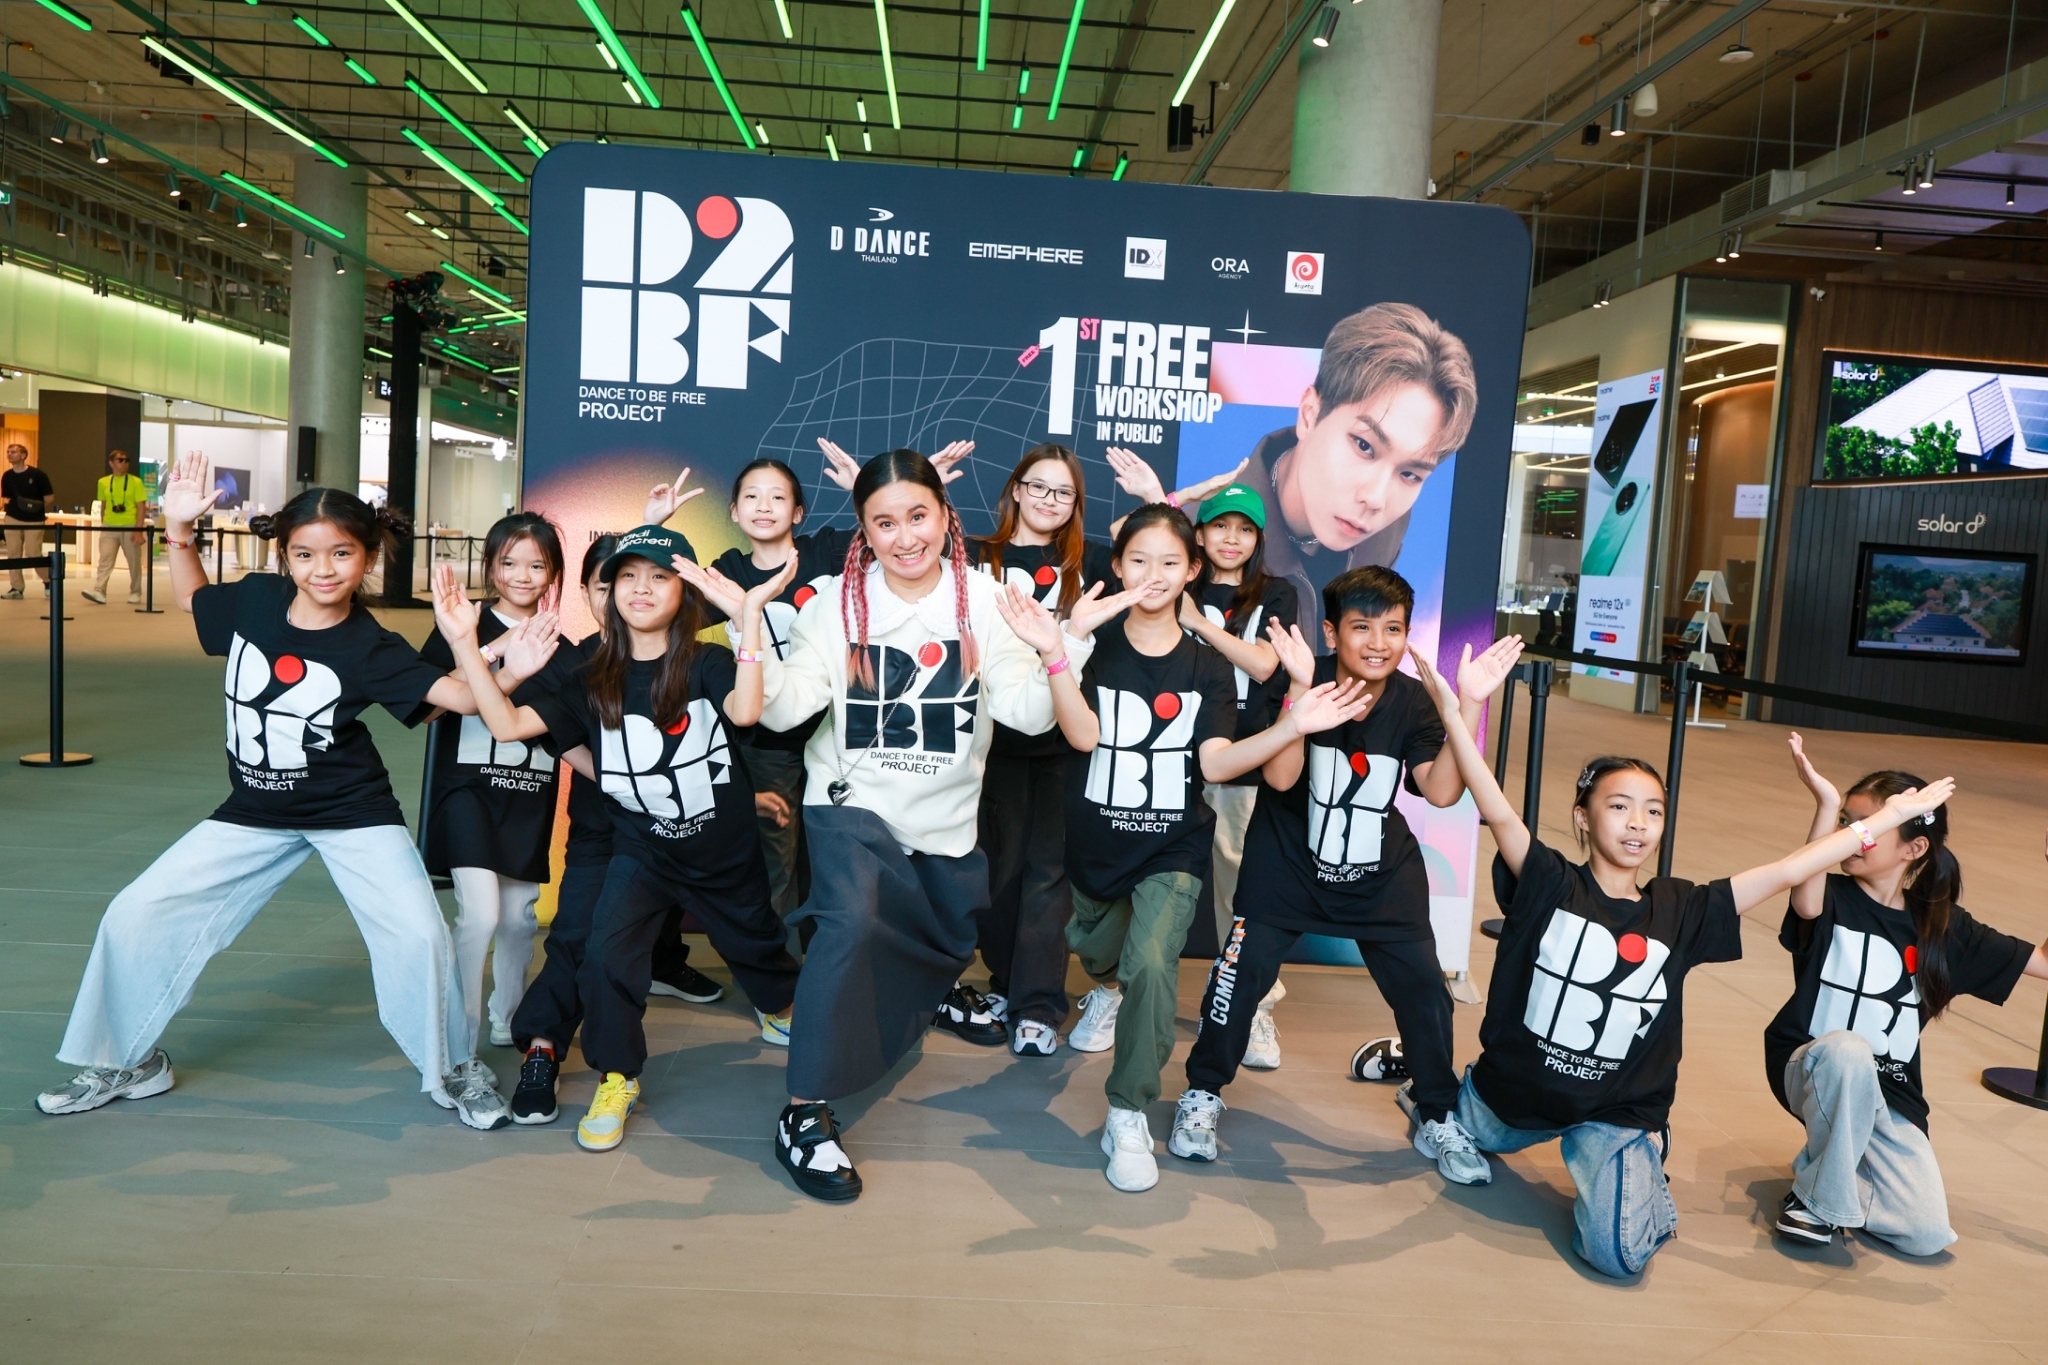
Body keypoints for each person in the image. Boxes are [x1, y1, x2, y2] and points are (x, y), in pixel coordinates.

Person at [1407, 640, 1957, 1278]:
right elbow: (1495, 807)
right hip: (1510, 1098)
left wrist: (1880, 823)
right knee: (1441, 1114)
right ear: (1582, 817)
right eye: (1618, 807)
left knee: (1616, 1258)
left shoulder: (1683, 908)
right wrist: (1463, 708)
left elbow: (1787, 871)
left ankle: (1642, 1164)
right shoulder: (1548, 881)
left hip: (1615, 1113)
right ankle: (1407, 1062)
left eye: (1653, 811)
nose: (1637, 824)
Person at [35, 452, 526, 1129]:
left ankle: (455, 1067)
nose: (323, 569)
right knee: (135, 912)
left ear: (368, 557)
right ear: (284, 556)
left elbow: (463, 700)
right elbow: (193, 600)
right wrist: (179, 531)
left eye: (342, 553)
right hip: (253, 811)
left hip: (352, 814)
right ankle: (127, 1062)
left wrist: (483, 651)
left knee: (419, 935)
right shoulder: (258, 599)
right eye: (305, 554)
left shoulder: (371, 645)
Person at [996, 504, 1371, 1191]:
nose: (1154, 574)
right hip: (1093, 847)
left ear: (1192, 570)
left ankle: (1127, 1110)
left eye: (1170, 562)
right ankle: (1106, 985)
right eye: (1139, 560)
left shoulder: (1208, 664)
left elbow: (1217, 761)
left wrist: (1293, 724)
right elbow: (1081, 735)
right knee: (1101, 953)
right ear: (1117, 566)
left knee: (1151, 963)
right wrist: (1057, 652)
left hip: (1172, 848)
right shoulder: (1094, 644)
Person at [745, 448, 1085, 1202]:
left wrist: (1055, 648)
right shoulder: (835, 603)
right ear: (864, 530)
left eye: (918, 516)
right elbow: (788, 706)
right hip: (849, 806)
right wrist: (751, 639)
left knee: (942, 945)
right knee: (851, 922)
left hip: (944, 824)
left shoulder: (988, 600)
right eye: (884, 523)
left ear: (946, 516)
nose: (905, 537)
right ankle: (803, 1111)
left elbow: (1028, 715)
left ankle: (928, 996)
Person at [434, 528, 802, 1152]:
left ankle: (785, 1009)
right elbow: (505, 722)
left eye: (658, 577)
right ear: (605, 592)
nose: (640, 588)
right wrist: (466, 645)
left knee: (758, 944)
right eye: (627, 576)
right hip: (641, 848)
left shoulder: (708, 662)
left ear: (683, 592)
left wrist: (747, 617)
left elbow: (744, 712)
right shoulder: (589, 676)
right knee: (605, 957)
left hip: (720, 848)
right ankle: (618, 1077)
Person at [1170, 566, 1509, 1185]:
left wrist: (1469, 704)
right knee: (1237, 980)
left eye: (1393, 629)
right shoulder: (1298, 675)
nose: (1379, 643)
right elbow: (1280, 779)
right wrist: (1301, 693)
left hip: (1380, 875)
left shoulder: (1412, 700)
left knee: (1426, 995)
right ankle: (1203, 1092)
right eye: (1362, 628)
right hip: (1286, 869)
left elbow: (1439, 792)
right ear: (1331, 632)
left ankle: (1435, 1110)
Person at [1767, 740, 2048, 1254]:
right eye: (1847, 824)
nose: (1852, 836)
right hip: (1811, 1066)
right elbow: (1804, 894)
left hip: (1890, 1090)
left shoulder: (1943, 926)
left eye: (1869, 827)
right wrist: (1825, 806)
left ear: (1914, 849)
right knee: (1849, 1049)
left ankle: (1826, 1178)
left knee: (1925, 1235)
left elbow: (2045, 964)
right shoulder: (1827, 895)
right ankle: (1815, 1203)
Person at [1170, 303, 1477, 650]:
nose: (1376, 498)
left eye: (1409, 473)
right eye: (1364, 445)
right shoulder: (1199, 530)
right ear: (1309, 415)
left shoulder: (1388, 525)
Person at [972, 444, 1115, 1055]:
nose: (1049, 500)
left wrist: (1160, 497)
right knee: (997, 872)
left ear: (1076, 503)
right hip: (990, 741)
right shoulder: (975, 557)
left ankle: (1037, 1005)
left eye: (1063, 492)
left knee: (1048, 877)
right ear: (1016, 488)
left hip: (1066, 741)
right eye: (1038, 486)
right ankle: (1006, 983)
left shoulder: (1093, 564)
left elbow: (1160, 553)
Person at [413, 512, 570, 1049]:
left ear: (553, 574)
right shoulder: (461, 625)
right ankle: (460, 1032)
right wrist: (492, 649)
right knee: (479, 916)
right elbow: (427, 709)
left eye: (536, 565)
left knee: (520, 919)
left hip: (528, 795)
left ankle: (509, 1015)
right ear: (490, 566)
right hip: (466, 794)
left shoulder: (561, 646)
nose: (522, 576)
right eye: (509, 562)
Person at [1181, 482, 1297, 1067]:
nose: (1232, 538)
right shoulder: (1178, 579)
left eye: (1245, 529)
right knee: (1150, 877)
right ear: (1199, 534)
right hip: (1172, 754)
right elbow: (1127, 538)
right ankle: (1121, 986)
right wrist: (1174, 499)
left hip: (1245, 758)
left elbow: (1266, 664)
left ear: (1258, 539)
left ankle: (1251, 1004)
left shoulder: (1276, 593)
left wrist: (1198, 624)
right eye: (1220, 525)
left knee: (1239, 886)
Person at [83, 449, 149, 605]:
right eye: (120, 460)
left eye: (126, 460)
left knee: (133, 561)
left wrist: (138, 530)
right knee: (105, 559)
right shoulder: (103, 482)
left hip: (129, 525)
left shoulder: (136, 482)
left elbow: (141, 508)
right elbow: (103, 504)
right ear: (111, 463)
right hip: (109, 526)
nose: (124, 463)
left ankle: (135, 591)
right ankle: (99, 591)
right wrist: (103, 523)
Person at [3, 440, 54, 599]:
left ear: (23, 455)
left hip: (34, 519)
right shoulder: (7, 476)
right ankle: (16, 587)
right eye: (8, 452)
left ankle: (48, 580)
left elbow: (49, 497)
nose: (9, 454)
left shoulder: (38, 475)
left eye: (13, 452)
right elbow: (6, 498)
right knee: (13, 553)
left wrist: (33, 508)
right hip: (12, 518)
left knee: (33, 552)